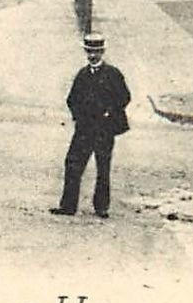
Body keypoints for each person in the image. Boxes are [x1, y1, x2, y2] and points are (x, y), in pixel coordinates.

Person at [51, 32, 132, 219]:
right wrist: (79, 116)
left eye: (96, 52)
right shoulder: (82, 74)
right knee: (73, 163)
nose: (92, 55)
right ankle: (68, 206)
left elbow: (124, 96)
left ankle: (101, 207)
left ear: (102, 52)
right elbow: (71, 99)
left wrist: (110, 111)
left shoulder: (113, 74)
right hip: (85, 129)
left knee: (103, 168)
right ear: (86, 52)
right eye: (89, 52)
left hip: (104, 129)